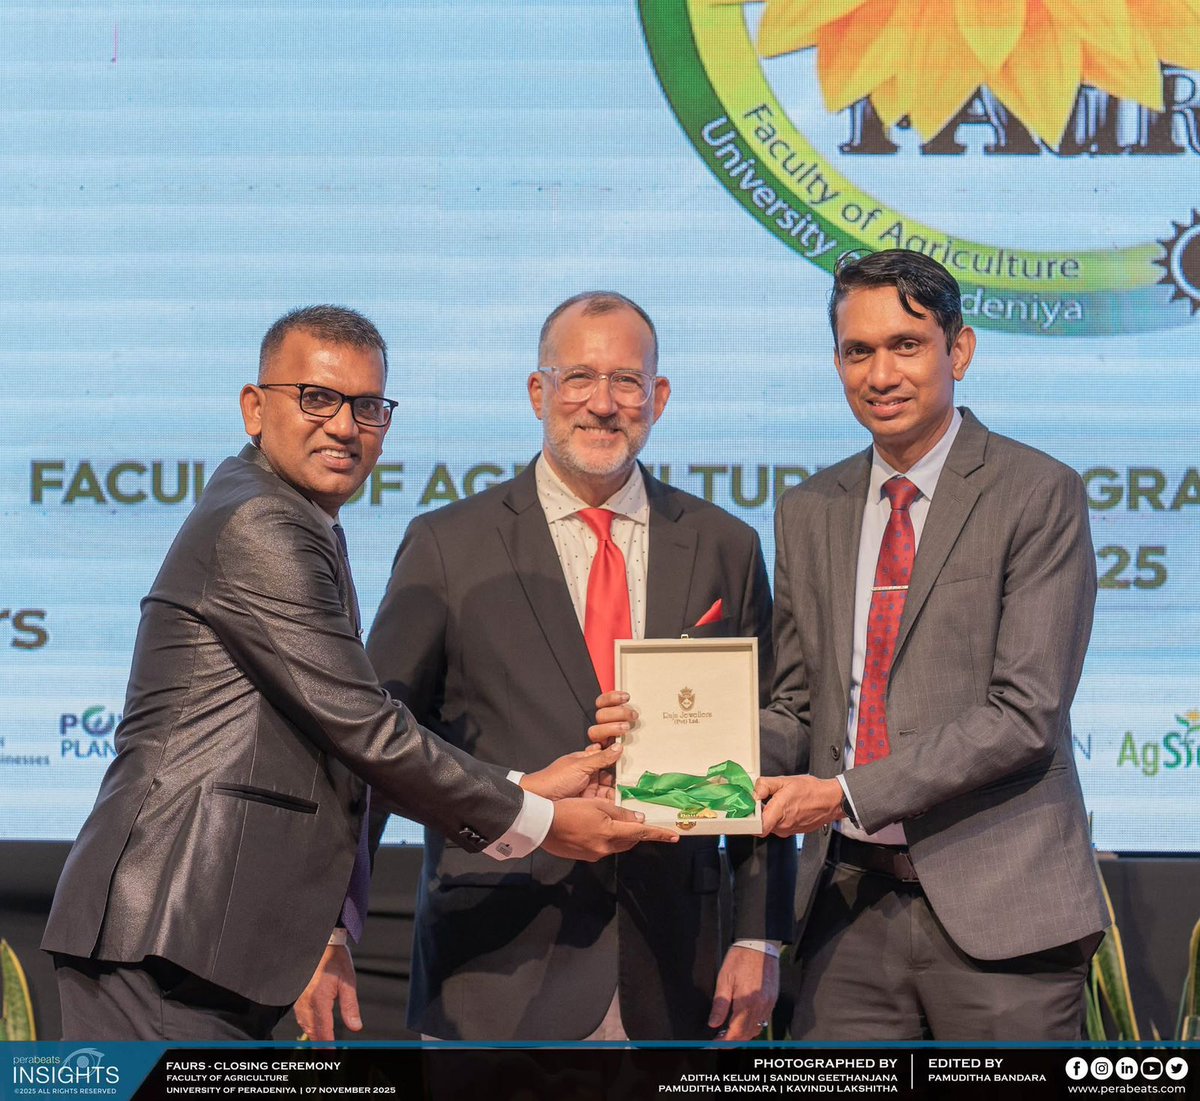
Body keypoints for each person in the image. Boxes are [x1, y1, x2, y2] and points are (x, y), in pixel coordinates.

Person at [41, 305, 675, 1042]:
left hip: (196, 938)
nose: (344, 425)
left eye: (367, 406)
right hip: (166, 929)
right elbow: (368, 729)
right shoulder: (262, 523)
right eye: (315, 397)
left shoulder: (293, 515)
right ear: (255, 407)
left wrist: (520, 788)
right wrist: (538, 821)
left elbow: (360, 731)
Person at [366, 291, 795, 1041]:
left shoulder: (726, 544)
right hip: (495, 966)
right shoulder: (447, 544)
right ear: (539, 392)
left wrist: (759, 932)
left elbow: (766, 741)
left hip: (678, 973)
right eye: (579, 378)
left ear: (657, 398)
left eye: (627, 381)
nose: (603, 403)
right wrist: (332, 930)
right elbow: (377, 746)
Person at [752, 250, 1107, 1039]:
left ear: (960, 349)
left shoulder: (1037, 492)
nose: (881, 372)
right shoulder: (809, 508)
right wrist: (691, 752)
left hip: (1003, 912)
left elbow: (1024, 715)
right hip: (844, 912)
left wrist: (846, 793)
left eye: (906, 344)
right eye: (858, 350)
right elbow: (799, 707)